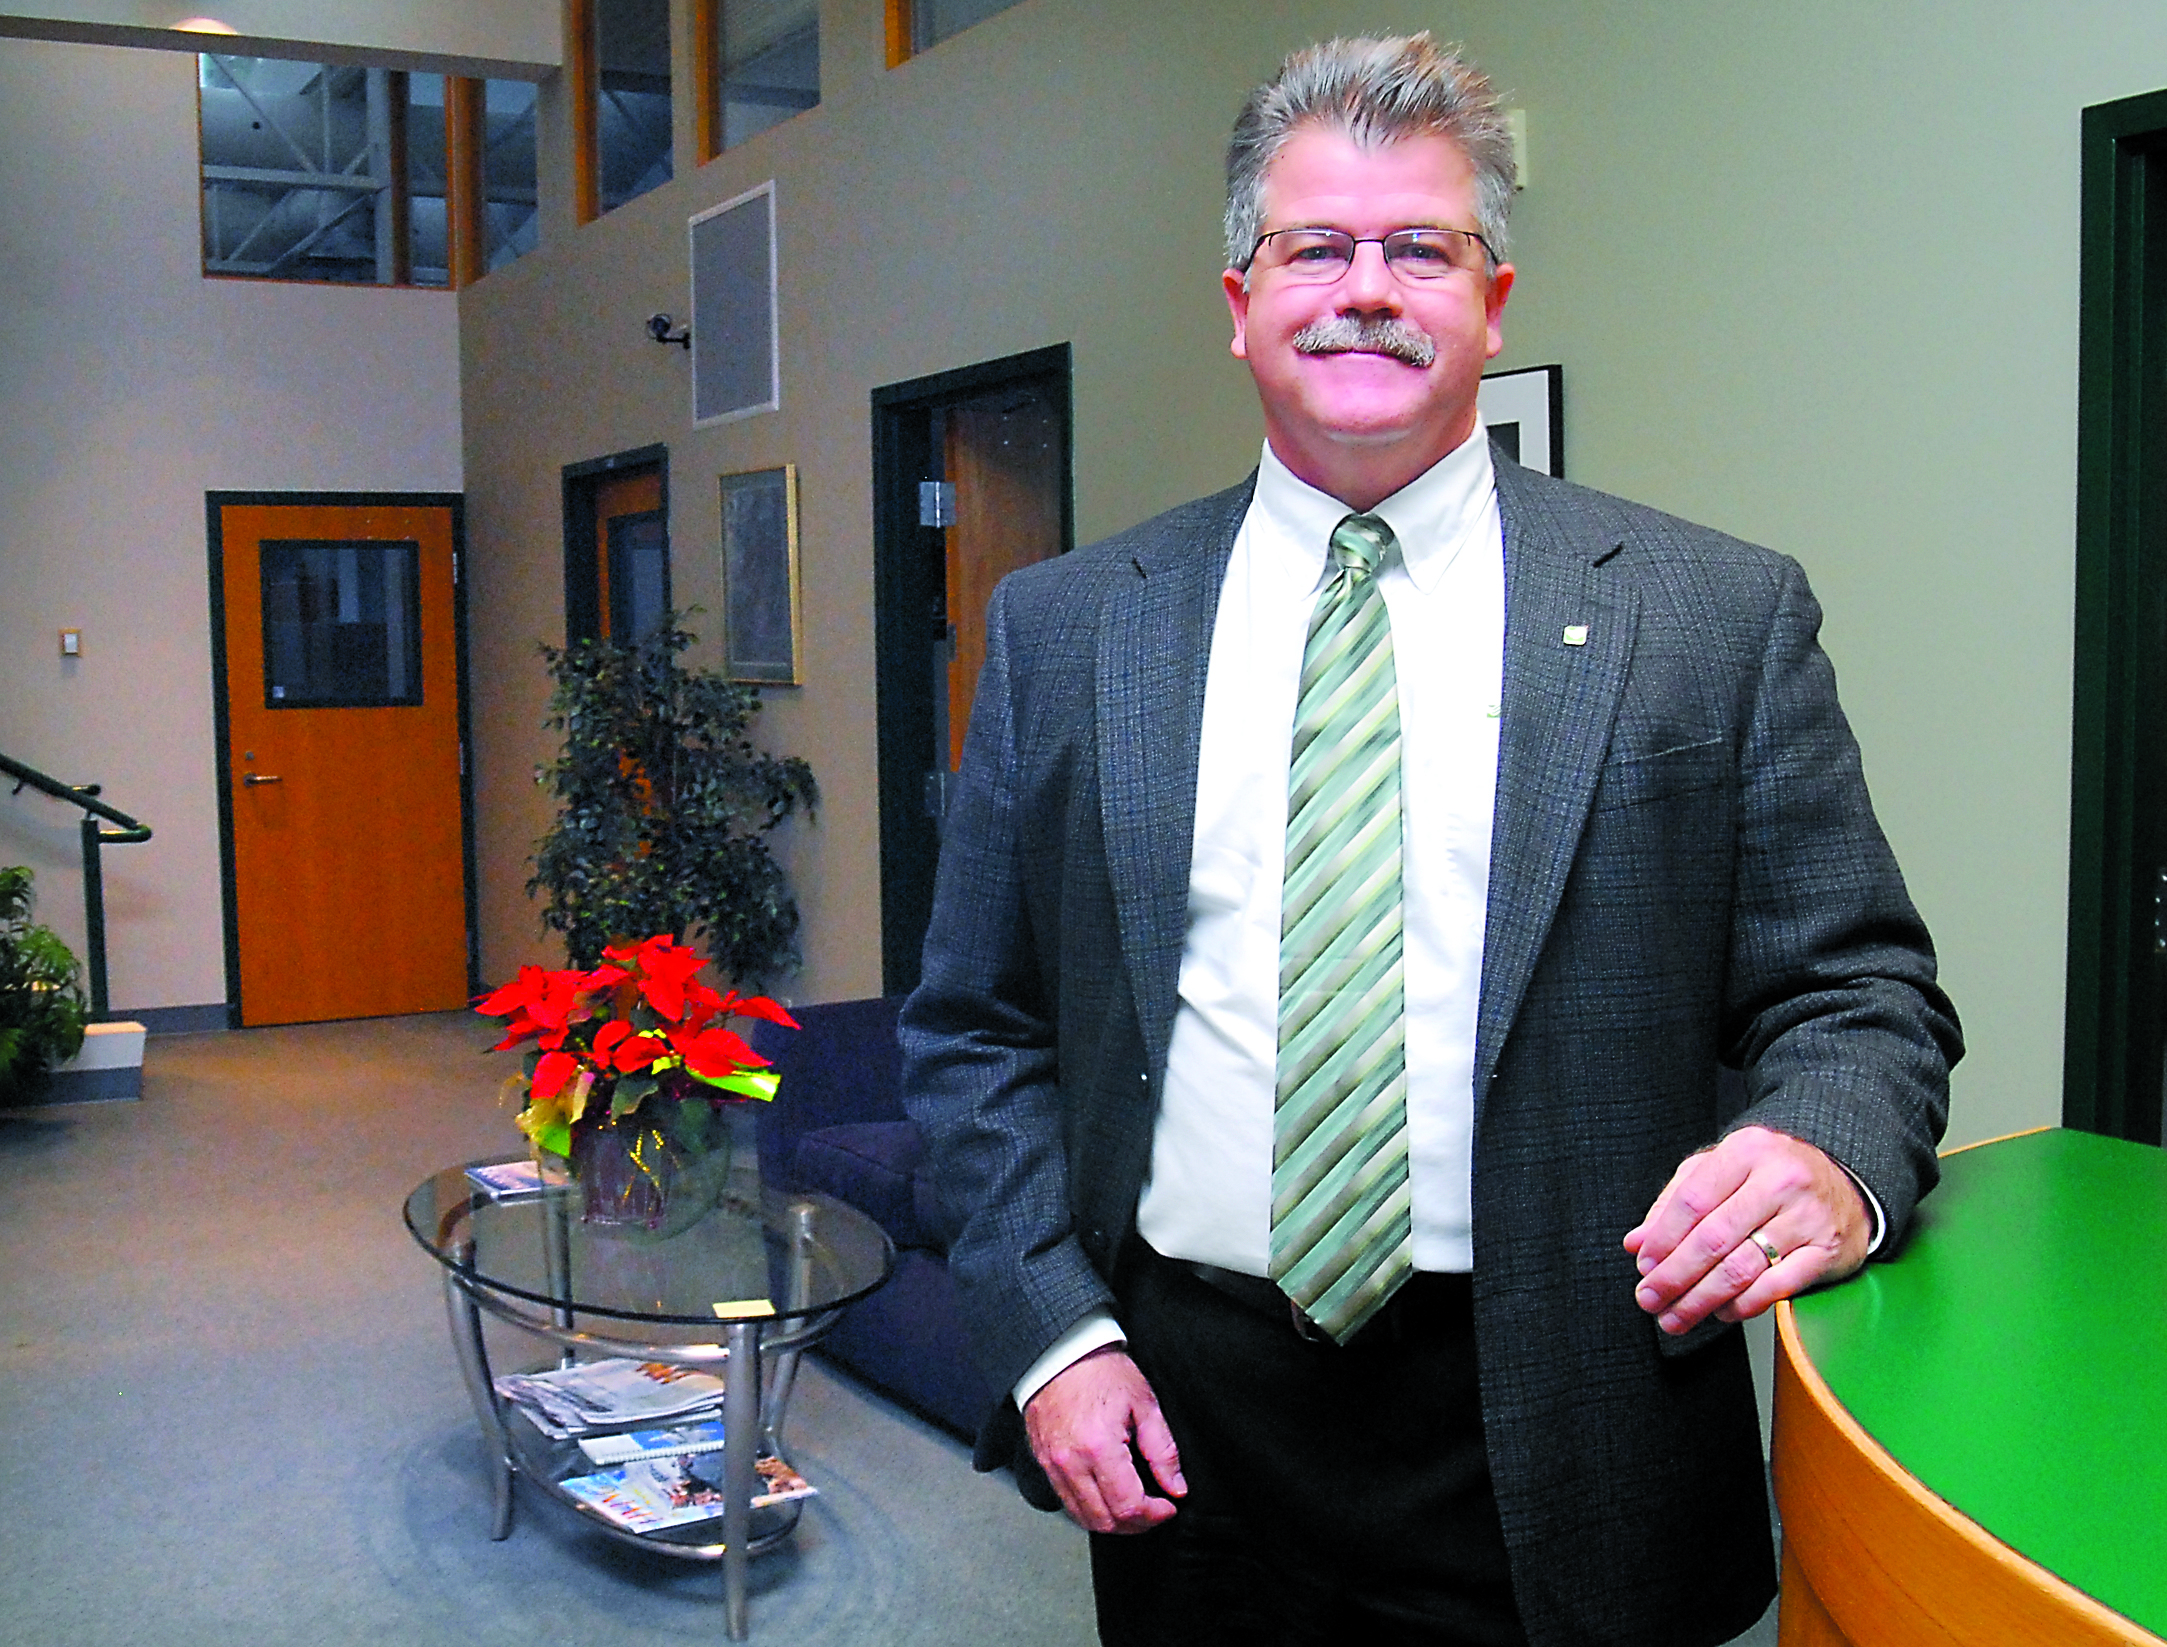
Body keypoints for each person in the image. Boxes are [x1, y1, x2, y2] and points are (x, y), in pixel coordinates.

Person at [899, 32, 1960, 1647]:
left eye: (1422, 247)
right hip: (1185, 1419)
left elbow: (1862, 994)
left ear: (1494, 298)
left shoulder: (1708, 615)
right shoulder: (1064, 630)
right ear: (1238, 299)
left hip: (1574, 1400)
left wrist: (1828, 1150)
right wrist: (1053, 1333)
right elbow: (976, 1028)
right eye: (1315, 247)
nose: (1366, 288)